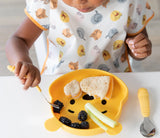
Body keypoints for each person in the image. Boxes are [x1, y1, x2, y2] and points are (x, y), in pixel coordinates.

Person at [5, 0, 154, 90]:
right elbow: (18, 39)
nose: (80, 2)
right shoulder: (47, 3)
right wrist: (23, 61)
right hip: (59, 81)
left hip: (114, 80)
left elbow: (137, 47)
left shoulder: (129, 3)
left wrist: (139, 50)